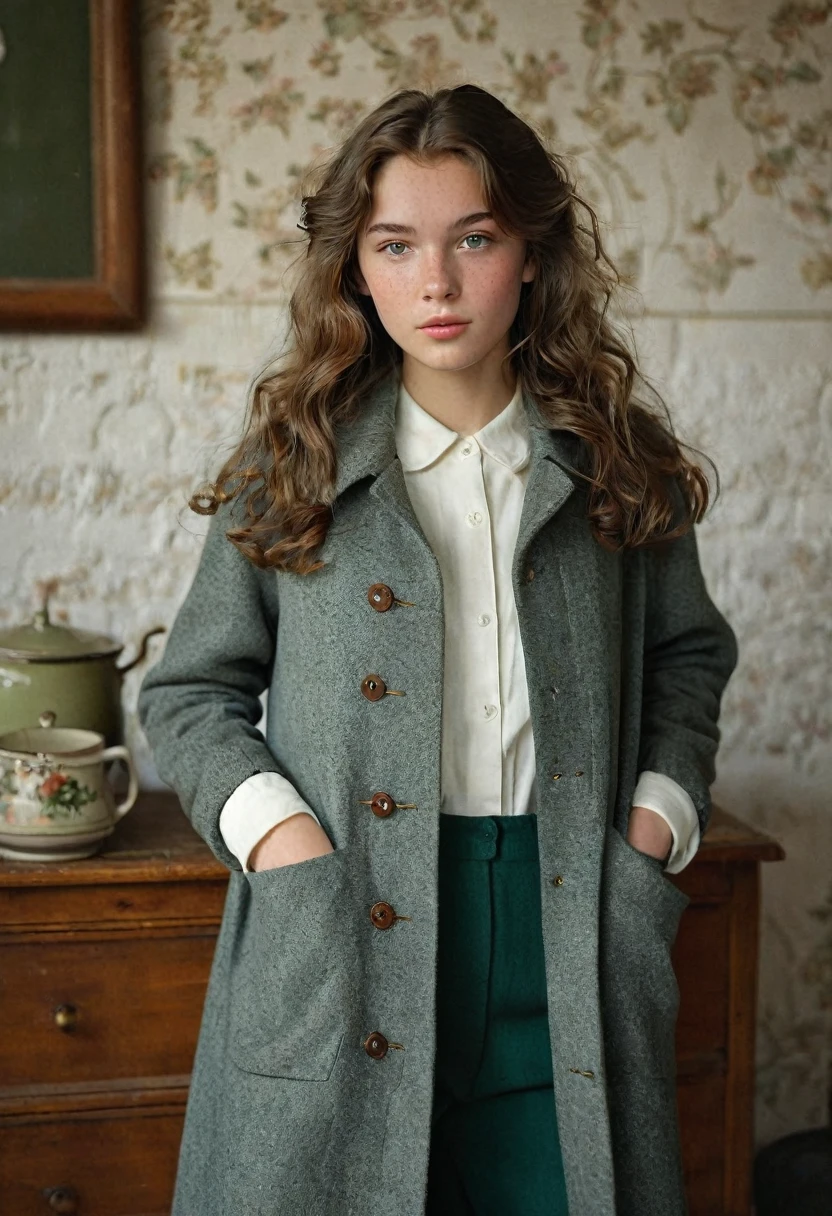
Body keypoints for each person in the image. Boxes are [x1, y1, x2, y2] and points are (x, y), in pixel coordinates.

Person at [137, 83, 739, 1216]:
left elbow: (687, 662)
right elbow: (191, 692)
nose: (438, 282)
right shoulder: (294, 463)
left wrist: (652, 825)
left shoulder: (619, 464)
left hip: (567, 925)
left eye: (475, 237)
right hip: (344, 923)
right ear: (355, 269)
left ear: (532, 251)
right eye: (396, 244)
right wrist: (283, 846)